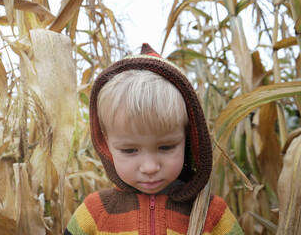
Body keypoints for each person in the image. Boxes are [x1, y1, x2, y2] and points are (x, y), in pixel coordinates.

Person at [64, 44, 243, 234]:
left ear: (188, 140)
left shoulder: (211, 213)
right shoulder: (95, 212)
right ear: (106, 144)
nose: (150, 168)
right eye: (129, 150)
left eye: (166, 147)